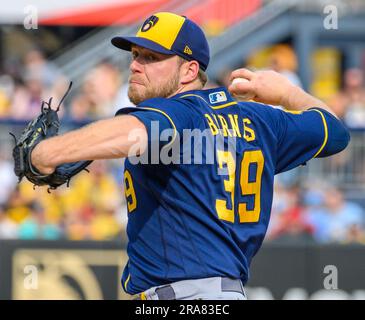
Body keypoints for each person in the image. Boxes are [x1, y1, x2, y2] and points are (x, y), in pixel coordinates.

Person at [29, 12, 350, 300]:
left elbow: (137, 131)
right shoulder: (262, 121)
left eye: (152, 57)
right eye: (136, 55)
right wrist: (287, 94)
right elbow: (335, 132)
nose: (135, 65)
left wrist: (45, 153)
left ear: (189, 70)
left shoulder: (179, 110)